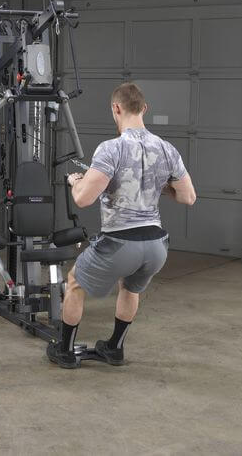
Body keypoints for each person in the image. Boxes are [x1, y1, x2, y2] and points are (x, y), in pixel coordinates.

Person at [47, 82, 196, 368]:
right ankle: (114, 349)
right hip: (156, 246)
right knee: (130, 288)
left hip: (121, 243)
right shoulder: (167, 149)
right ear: (144, 108)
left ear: (116, 108)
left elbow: (83, 199)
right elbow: (188, 197)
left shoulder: (111, 149)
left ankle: (64, 351)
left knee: (75, 282)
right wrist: (157, 183)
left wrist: (75, 182)